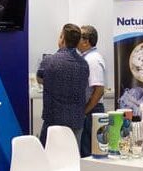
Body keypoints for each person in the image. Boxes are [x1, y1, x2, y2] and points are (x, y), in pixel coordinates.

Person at [37, 23, 89, 147]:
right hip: (76, 121)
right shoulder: (84, 64)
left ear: (62, 38)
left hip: (53, 120)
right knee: (73, 155)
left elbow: (39, 79)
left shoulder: (49, 61)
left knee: (49, 155)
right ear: (77, 42)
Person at [77, 25, 106, 158]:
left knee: (88, 152)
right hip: (90, 110)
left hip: (92, 110)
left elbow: (99, 90)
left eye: (79, 37)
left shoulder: (92, 60)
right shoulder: (87, 58)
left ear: (86, 41)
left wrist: (85, 111)